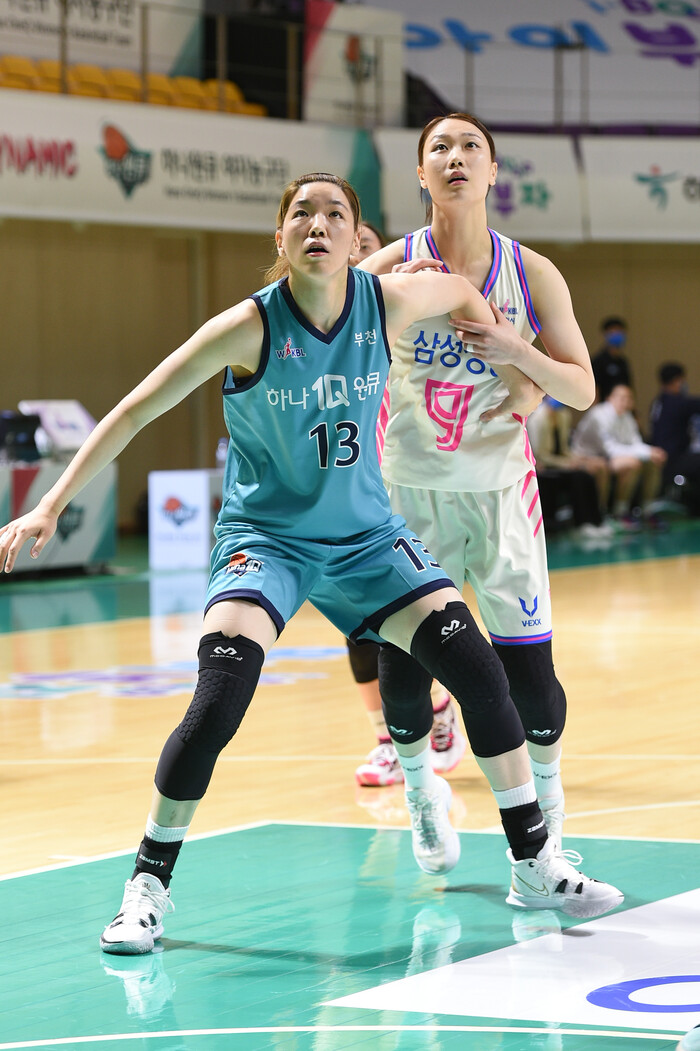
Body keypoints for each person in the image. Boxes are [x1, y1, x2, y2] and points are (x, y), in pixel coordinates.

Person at [0, 172, 623, 958]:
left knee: (478, 668)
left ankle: (533, 862)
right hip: (269, 541)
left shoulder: (387, 300)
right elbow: (134, 410)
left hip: (366, 537)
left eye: (335, 213)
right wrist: (49, 504)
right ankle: (146, 888)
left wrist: (519, 380)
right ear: (282, 236)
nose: (318, 224)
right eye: (302, 213)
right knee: (219, 699)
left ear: (357, 239)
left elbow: (466, 289)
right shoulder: (247, 327)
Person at [358, 112, 598, 859]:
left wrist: (517, 350)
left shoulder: (532, 273)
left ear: (493, 171)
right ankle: (421, 791)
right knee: (403, 674)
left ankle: (549, 811)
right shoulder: (390, 268)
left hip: (501, 496)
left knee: (531, 681)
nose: (455, 157)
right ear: (421, 173)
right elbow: (327, 346)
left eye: (471, 147)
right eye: (440, 148)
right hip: (410, 497)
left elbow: (582, 388)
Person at [350, 221, 466, 786]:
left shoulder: (401, 319)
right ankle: (390, 739)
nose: (357, 258)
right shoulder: (315, 327)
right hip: (344, 489)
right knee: (359, 628)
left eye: (367, 250)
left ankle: (434, 707)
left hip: (403, 483)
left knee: (412, 617)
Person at [571, 383, 667, 529]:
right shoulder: (598, 415)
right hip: (587, 458)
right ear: (610, 398)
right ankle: (617, 513)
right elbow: (611, 449)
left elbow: (635, 443)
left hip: (608, 457)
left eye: (629, 398)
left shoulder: (627, 416)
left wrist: (652, 452)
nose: (626, 401)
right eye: (622, 397)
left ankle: (647, 511)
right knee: (632, 463)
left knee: (653, 462)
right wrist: (647, 453)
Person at [527, 395, 613, 538]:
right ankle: (582, 523)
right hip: (544, 467)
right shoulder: (537, 419)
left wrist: (579, 460)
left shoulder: (563, 415)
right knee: (579, 477)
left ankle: (597, 521)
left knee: (588, 474)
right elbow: (540, 456)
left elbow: (564, 449)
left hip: (560, 463)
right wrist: (567, 464)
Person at [649, 361, 700, 507]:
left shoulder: (658, 402)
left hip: (660, 456)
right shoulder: (677, 402)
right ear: (677, 381)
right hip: (672, 459)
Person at [591, 316, 633, 401]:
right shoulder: (598, 361)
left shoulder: (623, 361)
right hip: (604, 405)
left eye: (619, 332)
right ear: (606, 334)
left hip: (622, 405)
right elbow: (595, 388)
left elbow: (628, 387)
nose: (617, 335)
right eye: (614, 332)